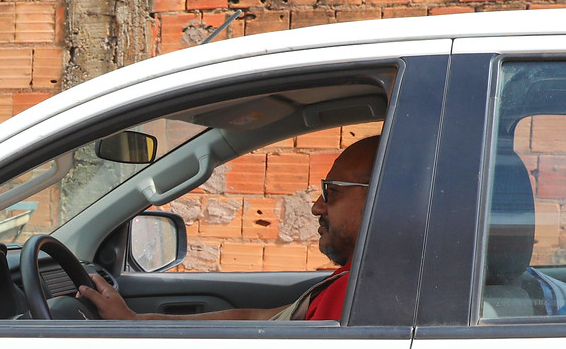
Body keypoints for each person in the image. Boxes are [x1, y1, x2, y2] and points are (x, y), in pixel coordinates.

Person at [79, 134, 380, 322]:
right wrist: (135, 322)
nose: (317, 207)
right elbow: (256, 317)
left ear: (383, 196)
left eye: (332, 191)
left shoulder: (361, 295)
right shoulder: (352, 281)